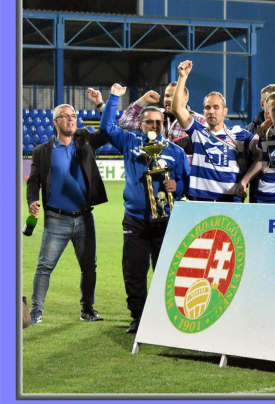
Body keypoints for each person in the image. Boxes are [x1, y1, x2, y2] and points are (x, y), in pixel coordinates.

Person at [100, 84, 190, 334]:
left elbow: (186, 182)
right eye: (149, 122)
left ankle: (163, 317)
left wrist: (177, 186)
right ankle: (139, 317)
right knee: (134, 273)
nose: (154, 126)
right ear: (140, 124)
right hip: (135, 220)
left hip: (166, 222)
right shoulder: (129, 142)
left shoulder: (176, 152)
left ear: (164, 123)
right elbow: (106, 128)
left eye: (158, 122)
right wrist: (114, 98)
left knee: (166, 273)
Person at [26, 104, 109, 325]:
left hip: (84, 217)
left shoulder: (84, 142)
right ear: (55, 122)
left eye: (73, 116)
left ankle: (87, 310)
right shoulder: (42, 151)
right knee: (45, 267)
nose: (71, 120)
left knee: (88, 266)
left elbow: (107, 131)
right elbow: (33, 181)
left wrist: (104, 104)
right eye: (65, 117)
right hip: (56, 219)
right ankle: (36, 311)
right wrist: (32, 200)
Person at [172, 60, 253, 202]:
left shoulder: (239, 134)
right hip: (202, 200)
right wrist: (182, 77)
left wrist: (245, 180)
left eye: (216, 107)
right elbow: (177, 108)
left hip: (230, 200)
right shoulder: (198, 132)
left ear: (225, 112)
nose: (211, 111)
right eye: (207, 108)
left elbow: (262, 153)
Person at [89, 81, 207, 148]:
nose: (169, 99)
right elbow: (124, 122)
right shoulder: (155, 117)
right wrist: (143, 100)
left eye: (174, 95)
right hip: (156, 177)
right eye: (167, 96)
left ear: (186, 99)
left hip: (186, 182)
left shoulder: (198, 121)